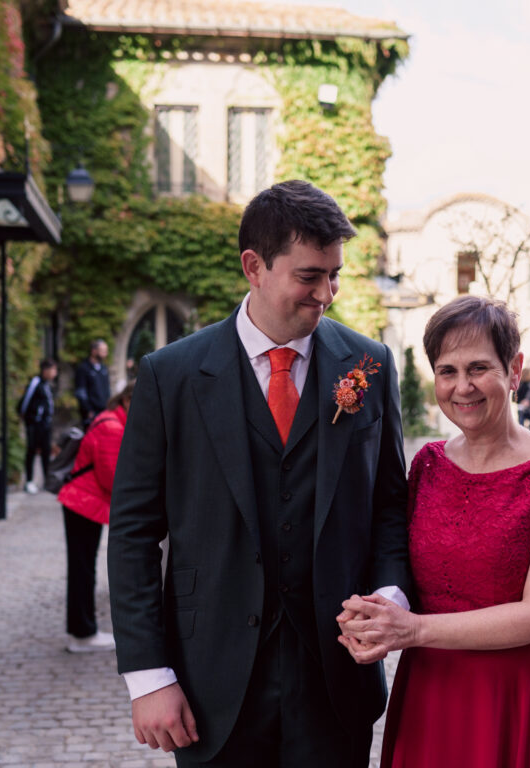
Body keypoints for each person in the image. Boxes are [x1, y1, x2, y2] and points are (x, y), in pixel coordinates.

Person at [107, 180, 412, 767]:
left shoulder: (369, 365)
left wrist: (388, 595)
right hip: (209, 681)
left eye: (335, 275)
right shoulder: (171, 375)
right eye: (309, 276)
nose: (327, 294)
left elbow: (389, 505)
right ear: (254, 266)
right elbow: (134, 533)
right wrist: (148, 676)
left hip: (335, 677)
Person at [337, 295, 530, 767]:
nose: (462, 387)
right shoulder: (428, 464)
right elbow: (401, 564)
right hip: (429, 691)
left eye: (478, 368)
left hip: (514, 696)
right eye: (447, 371)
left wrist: (414, 629)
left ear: (514, 370)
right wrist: (372, 615)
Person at [59, 382, 133, 653]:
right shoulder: (112, 427)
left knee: (82, 569)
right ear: (127, 400)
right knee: (82, 570)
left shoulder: (109, 419)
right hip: (83, 504)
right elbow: (111, 477)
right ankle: (82, 634)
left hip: (81, 502)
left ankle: (82, 631)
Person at [17, 358, 57, 494]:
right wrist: (27, 418)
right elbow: (25, 401)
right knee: (32, 450)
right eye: (53, 370)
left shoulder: (47, 385)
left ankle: (47, 481)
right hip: (35, 424)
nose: (55, 373)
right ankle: (29, 481)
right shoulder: (36, 382)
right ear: (45, 370)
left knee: (46, 452)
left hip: (45, 424)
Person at [74, 339, 111, 427]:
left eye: (106, 351)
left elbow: (107, 389)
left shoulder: (104, 368)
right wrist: (88, 410)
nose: (105, 354)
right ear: (94, 351)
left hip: (104, 411)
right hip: (91, 413)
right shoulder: (83, 368)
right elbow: (80, 392)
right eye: (103, 351)